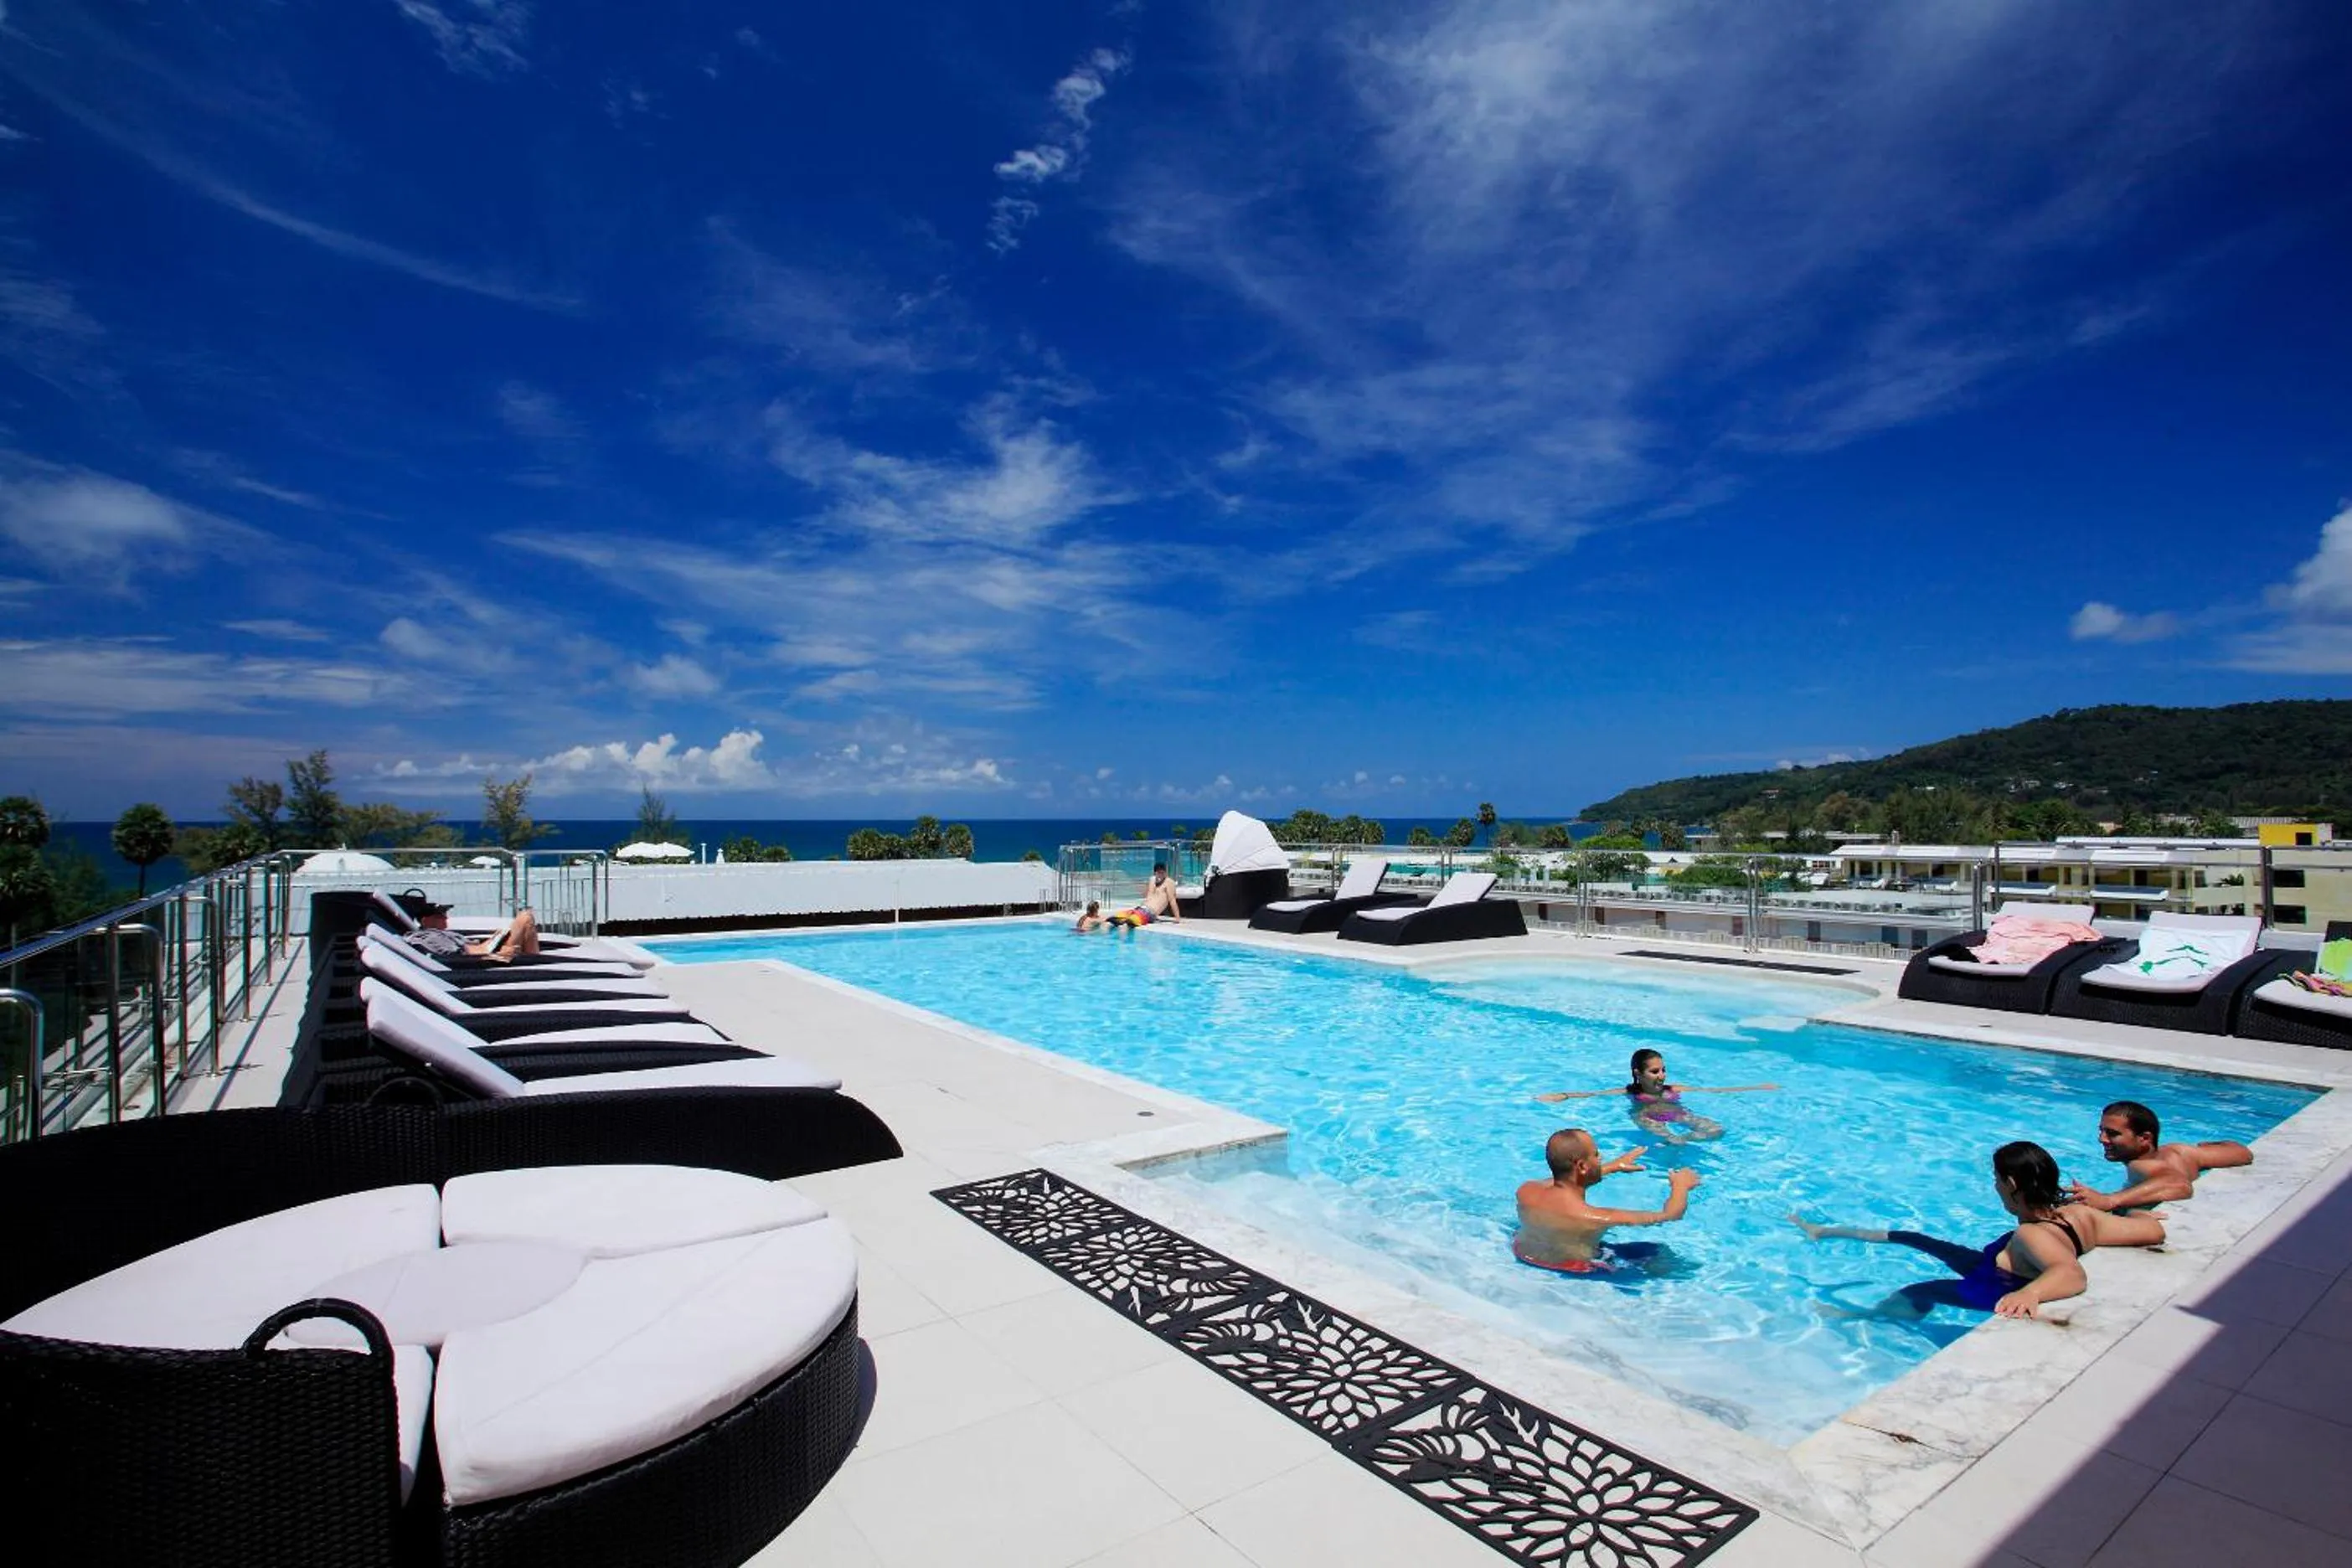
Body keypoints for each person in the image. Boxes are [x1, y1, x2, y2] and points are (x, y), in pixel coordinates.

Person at [1788, 1141, 2164, 1320]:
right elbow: (2151, 1232)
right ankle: (1823, 1231)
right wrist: (2127, 1207)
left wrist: (2030, 1293)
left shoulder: (2032, 1234)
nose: (1995, 1186)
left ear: (2011, 1184)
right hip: (1995, 1262)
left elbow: (2070, 1273)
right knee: (1918, 1239)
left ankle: (1863, 1317)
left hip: (1992, 1284)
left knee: (1915, 1291)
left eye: (1996, 1180)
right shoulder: (2079, 1213)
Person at [1512, 1127, 1701, 1273]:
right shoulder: (1594, 1218)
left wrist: (1614, 1166)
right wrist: (1681, 1186)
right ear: (1582, 1166)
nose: (1601, 1158)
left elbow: (1564, 1180)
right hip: (1573, 1267)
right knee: (1662, 1255)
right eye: (1596, 1155)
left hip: (1524, 1254)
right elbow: (1671, 1215)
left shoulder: (1526, 1191)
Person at [1535, 1048, 1778, 1142]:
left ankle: (1684, 1139)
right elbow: (1592, 1094)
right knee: (1671, 1140)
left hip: (1677, 1115)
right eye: (1654, 1071)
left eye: (1663, 1070)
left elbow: (1715, 1091)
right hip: (1647, 1117)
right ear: (1638, 1074)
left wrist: (1758, 1087)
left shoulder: (1674, 1090)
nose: (1661, 1075)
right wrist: (1563, 1096)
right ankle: (1675, 1143)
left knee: (1716, 1130)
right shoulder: (1631, 1092)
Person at [2068, 1100, 2253, 1212]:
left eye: (2112, 1134)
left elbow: (2180, 1185)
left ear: (2144, 1138)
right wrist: (2206, 1146)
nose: (2102, 1139)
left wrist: (2109, 1200)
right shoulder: (2180, 1151)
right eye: (2101, 1131)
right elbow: (2242, 1152)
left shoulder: (2139, 1165)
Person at [403, 902, 542, 962]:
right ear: (425, 921)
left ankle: (534, 960)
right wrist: (490, 945)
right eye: (440, 915)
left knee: (525, 920)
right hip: (487, 955)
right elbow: (457, 955)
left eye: (445, 914)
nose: (446, 918)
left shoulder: (445, 933)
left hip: (488, 950)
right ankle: (535, 961)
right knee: (525, 918)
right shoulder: (427, 936)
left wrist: (494, 939)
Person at [1107, 864, 1185, 929]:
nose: (1160, 875)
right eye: (1158, 873)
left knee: (1128, 923)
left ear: (1165, 873)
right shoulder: (1152, 880)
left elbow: (1172, 900)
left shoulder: (1169, 883)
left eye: (1162, 873)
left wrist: (1177, 917)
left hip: (1150, 913)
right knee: (1113, 920)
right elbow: (1149, 896)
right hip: (1140, 909)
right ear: (1155, 873)